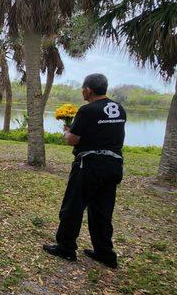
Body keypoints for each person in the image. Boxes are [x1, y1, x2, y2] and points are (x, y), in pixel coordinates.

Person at [43, 73, 126, 269]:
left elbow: (73, 139)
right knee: (102, 210)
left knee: (72, 206)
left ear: (88, 89)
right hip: (113, 165)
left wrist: (67, 132)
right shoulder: (119, 109)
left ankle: (66, 247)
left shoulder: (87, 110)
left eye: (83, 88)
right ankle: (105, 253)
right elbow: (103, 132)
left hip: (89, 165)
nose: (82, 91)